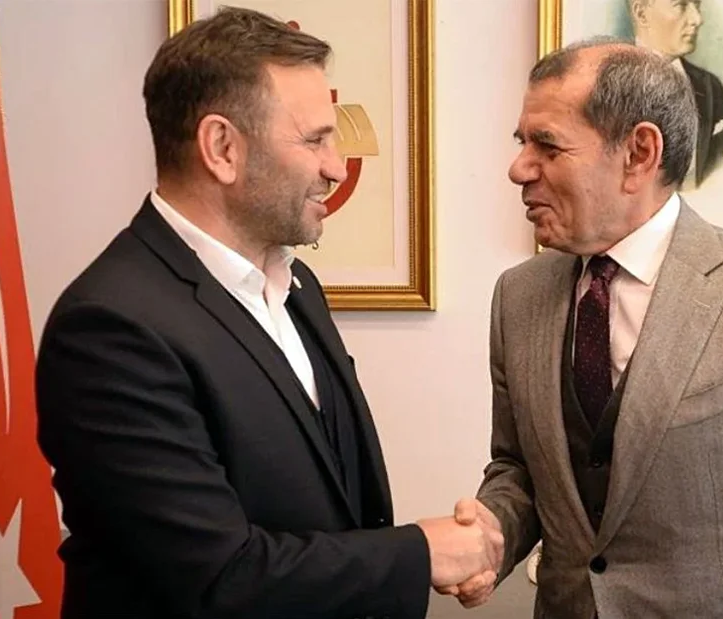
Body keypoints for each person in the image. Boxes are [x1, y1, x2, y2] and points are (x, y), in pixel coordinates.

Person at [34, 8, 500, 619]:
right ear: (222, 148)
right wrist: (421, 554)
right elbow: (219, 579)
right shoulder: (110, 329)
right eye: (315, 140)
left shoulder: (295, 286)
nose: (337, 166)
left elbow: (337, 504)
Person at [450, 39, 723, 617]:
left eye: (547, 146)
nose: (519, 169)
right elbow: (521, 469)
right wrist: (492, 534)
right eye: (521, 143)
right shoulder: (518, 296)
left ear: (639, 153)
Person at [628, 0, 723, 187]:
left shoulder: (711, 88)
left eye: (697, 5)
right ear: (641, 14)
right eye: (681, 5)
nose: (697, 19)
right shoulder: (604, 86)